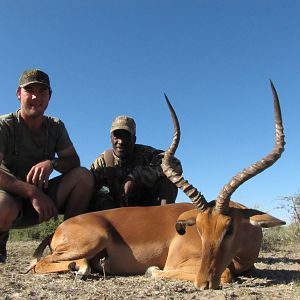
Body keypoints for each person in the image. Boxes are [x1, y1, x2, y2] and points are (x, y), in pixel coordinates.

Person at [0, 69, 94, 262]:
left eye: (42, 91)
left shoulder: (56, 126)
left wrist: (53, 163)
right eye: (30, 90)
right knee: (2, 205)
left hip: (44, 203)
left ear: (49, 96)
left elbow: (73, 161)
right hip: (11, 198)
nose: (36, 97)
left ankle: (68, 243)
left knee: (83, 176)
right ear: (19, 94)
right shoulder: (5, 125)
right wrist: (32, 193)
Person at [89, 115, 182, 211]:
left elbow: (176, 164)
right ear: (110, 138)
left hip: (146, 206)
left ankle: (164, 219)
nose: (120, 141)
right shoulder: (102, 161)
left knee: (168, 181)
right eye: (117, 136)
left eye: (126, 137)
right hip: (115, 210)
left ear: (134, 139)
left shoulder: (146, 153)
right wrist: (105, 202)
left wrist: (137, 175)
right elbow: (89, 187)